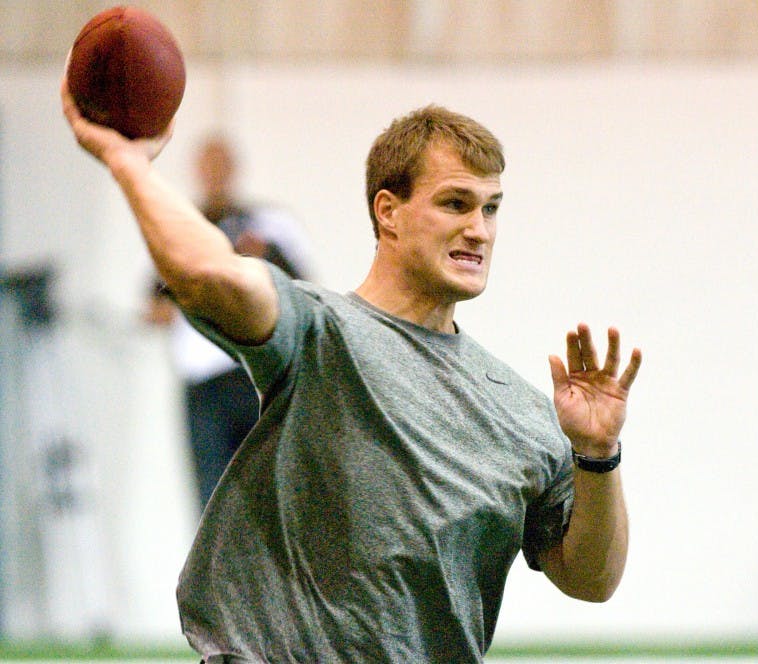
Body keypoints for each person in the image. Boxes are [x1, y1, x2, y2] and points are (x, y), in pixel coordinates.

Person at [62, 77, 641, 662]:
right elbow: (203, 273)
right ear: (387, 212)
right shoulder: (319, 331)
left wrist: (598, 454)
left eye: (491, 209)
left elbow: (592, 580)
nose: (480, 230)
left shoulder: (524, 412)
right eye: (455, 203)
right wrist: (126, 161)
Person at [145, 134, 312, 509]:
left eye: (221, 164)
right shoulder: (176, 229)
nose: (214, 174)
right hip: (204, 384)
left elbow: (304, 292)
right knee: (214, 502)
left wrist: (262, 259)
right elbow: (155, 304)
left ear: (234, 168)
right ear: (197, 171)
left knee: (273, 499)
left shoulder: (269, 224)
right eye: (207, 165)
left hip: (259, 376)